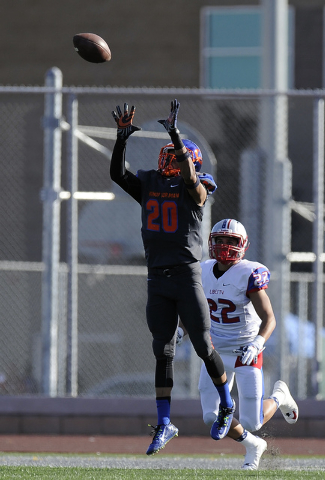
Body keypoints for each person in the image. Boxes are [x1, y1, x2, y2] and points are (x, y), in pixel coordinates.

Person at [110, 100, 235, 456]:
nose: (167, 157)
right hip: (157, 278)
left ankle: (226, 403)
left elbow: (193, 181)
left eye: (175, 155)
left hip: (186, 276)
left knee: (202, 345)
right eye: (167, 152)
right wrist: (122, 138)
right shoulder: (149, 183)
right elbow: (118, 175)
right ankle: (165, 423)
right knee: (162, 351)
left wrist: (177, 135)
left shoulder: (196, 189)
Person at [196, 218, 299, 470]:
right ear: (211, 242)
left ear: (243, 245)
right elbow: (195, 311)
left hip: (245, 350)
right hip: (216, 351)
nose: (224, 245)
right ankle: (253, 445)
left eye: (231, 241)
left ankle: (279, 395)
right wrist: (180, 330)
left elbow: (270, 318)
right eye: (220, 240)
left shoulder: (248, 273)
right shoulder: (202, 270)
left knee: (252, 421)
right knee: (211, 415)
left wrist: (258, 342)